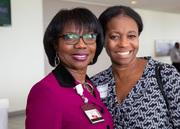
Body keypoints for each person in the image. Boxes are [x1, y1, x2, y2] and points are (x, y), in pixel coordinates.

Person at [90, 5, 180, 129]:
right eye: (114, 36)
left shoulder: (165, 75)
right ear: (103, 40)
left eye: (131, 36)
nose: (123, 44)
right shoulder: (95, 83)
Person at [25, 7, 113, 129]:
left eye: (89, 36)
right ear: (55, 44)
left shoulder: (89, 85)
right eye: (70, 37)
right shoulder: (45, 92)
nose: (81, 45)